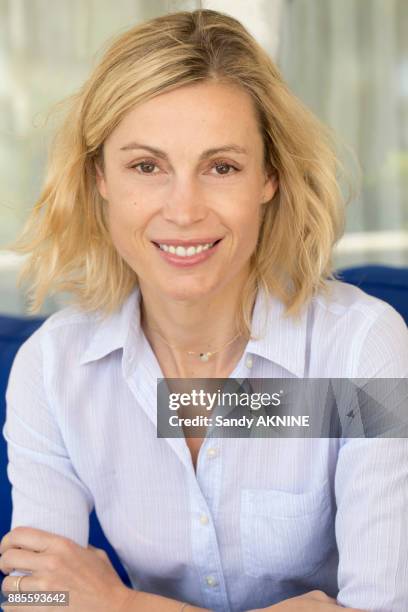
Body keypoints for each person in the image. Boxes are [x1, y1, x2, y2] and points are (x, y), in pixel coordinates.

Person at [0, 8, 407, 612]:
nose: (184, 210)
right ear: (100, 178)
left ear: (269, 177)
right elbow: (37, 598)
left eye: (221, 167)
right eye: (146, 166)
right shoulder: (54, 369)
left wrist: (121, 606)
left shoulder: (360, 349)